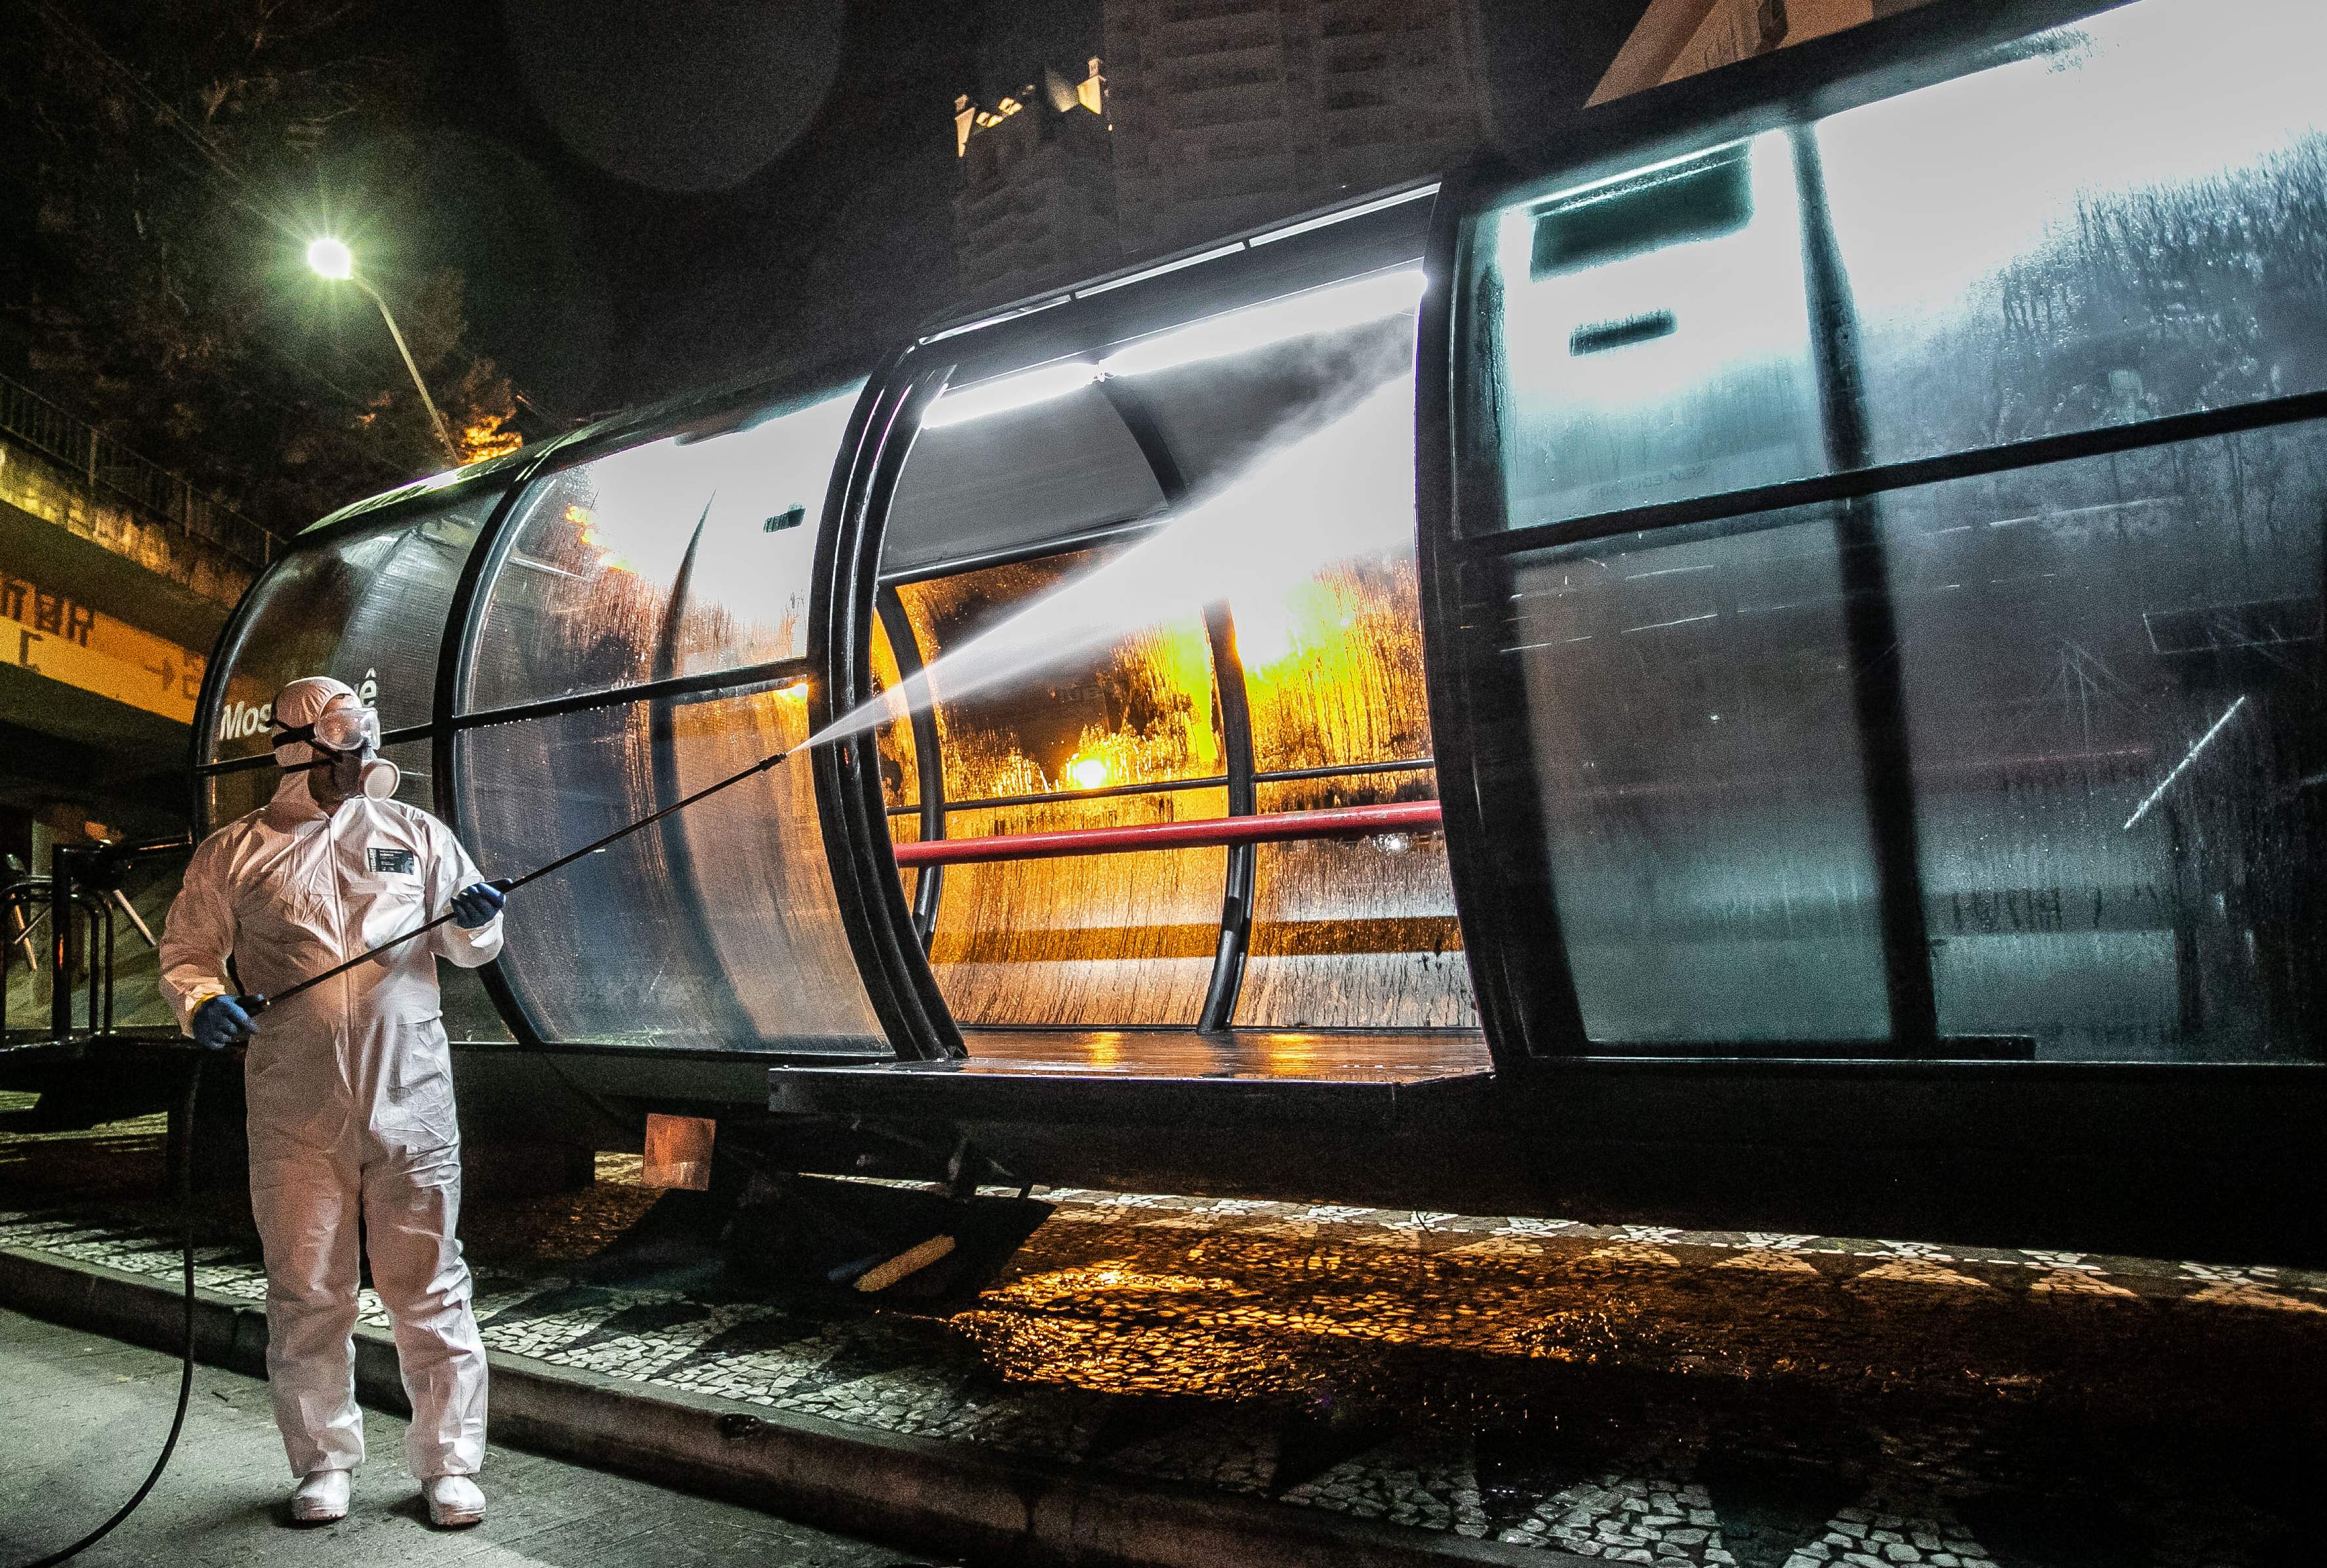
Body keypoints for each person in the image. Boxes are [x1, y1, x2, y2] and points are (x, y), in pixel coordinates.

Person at [160, 676, 507, 1528]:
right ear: (296, 748)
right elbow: (188, 953)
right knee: (308, 1289)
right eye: (346, 739)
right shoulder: (236, 851)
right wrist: (203, 1004)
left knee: (430, 1285)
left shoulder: (414, 834)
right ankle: (322, 1463)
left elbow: (470, 947)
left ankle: (449, 1466)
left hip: (411, 1097)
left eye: (365, 738)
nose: (363, 756)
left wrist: (475, 918)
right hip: (294, 1106)